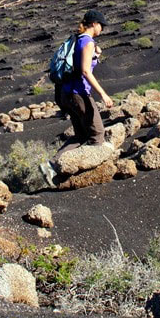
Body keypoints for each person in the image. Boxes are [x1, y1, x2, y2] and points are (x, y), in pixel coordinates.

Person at [40, 10, 114, 187]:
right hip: (79, 93)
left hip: (66, 93)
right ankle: (92, 172)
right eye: (101, 26)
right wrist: (103, 94)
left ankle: (51, 165)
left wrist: (96, 55)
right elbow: (85, 71)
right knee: (97, 134)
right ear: (95, 24)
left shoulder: (77, 39)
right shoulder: (87, 42)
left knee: (80, 135)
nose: (102, 29)